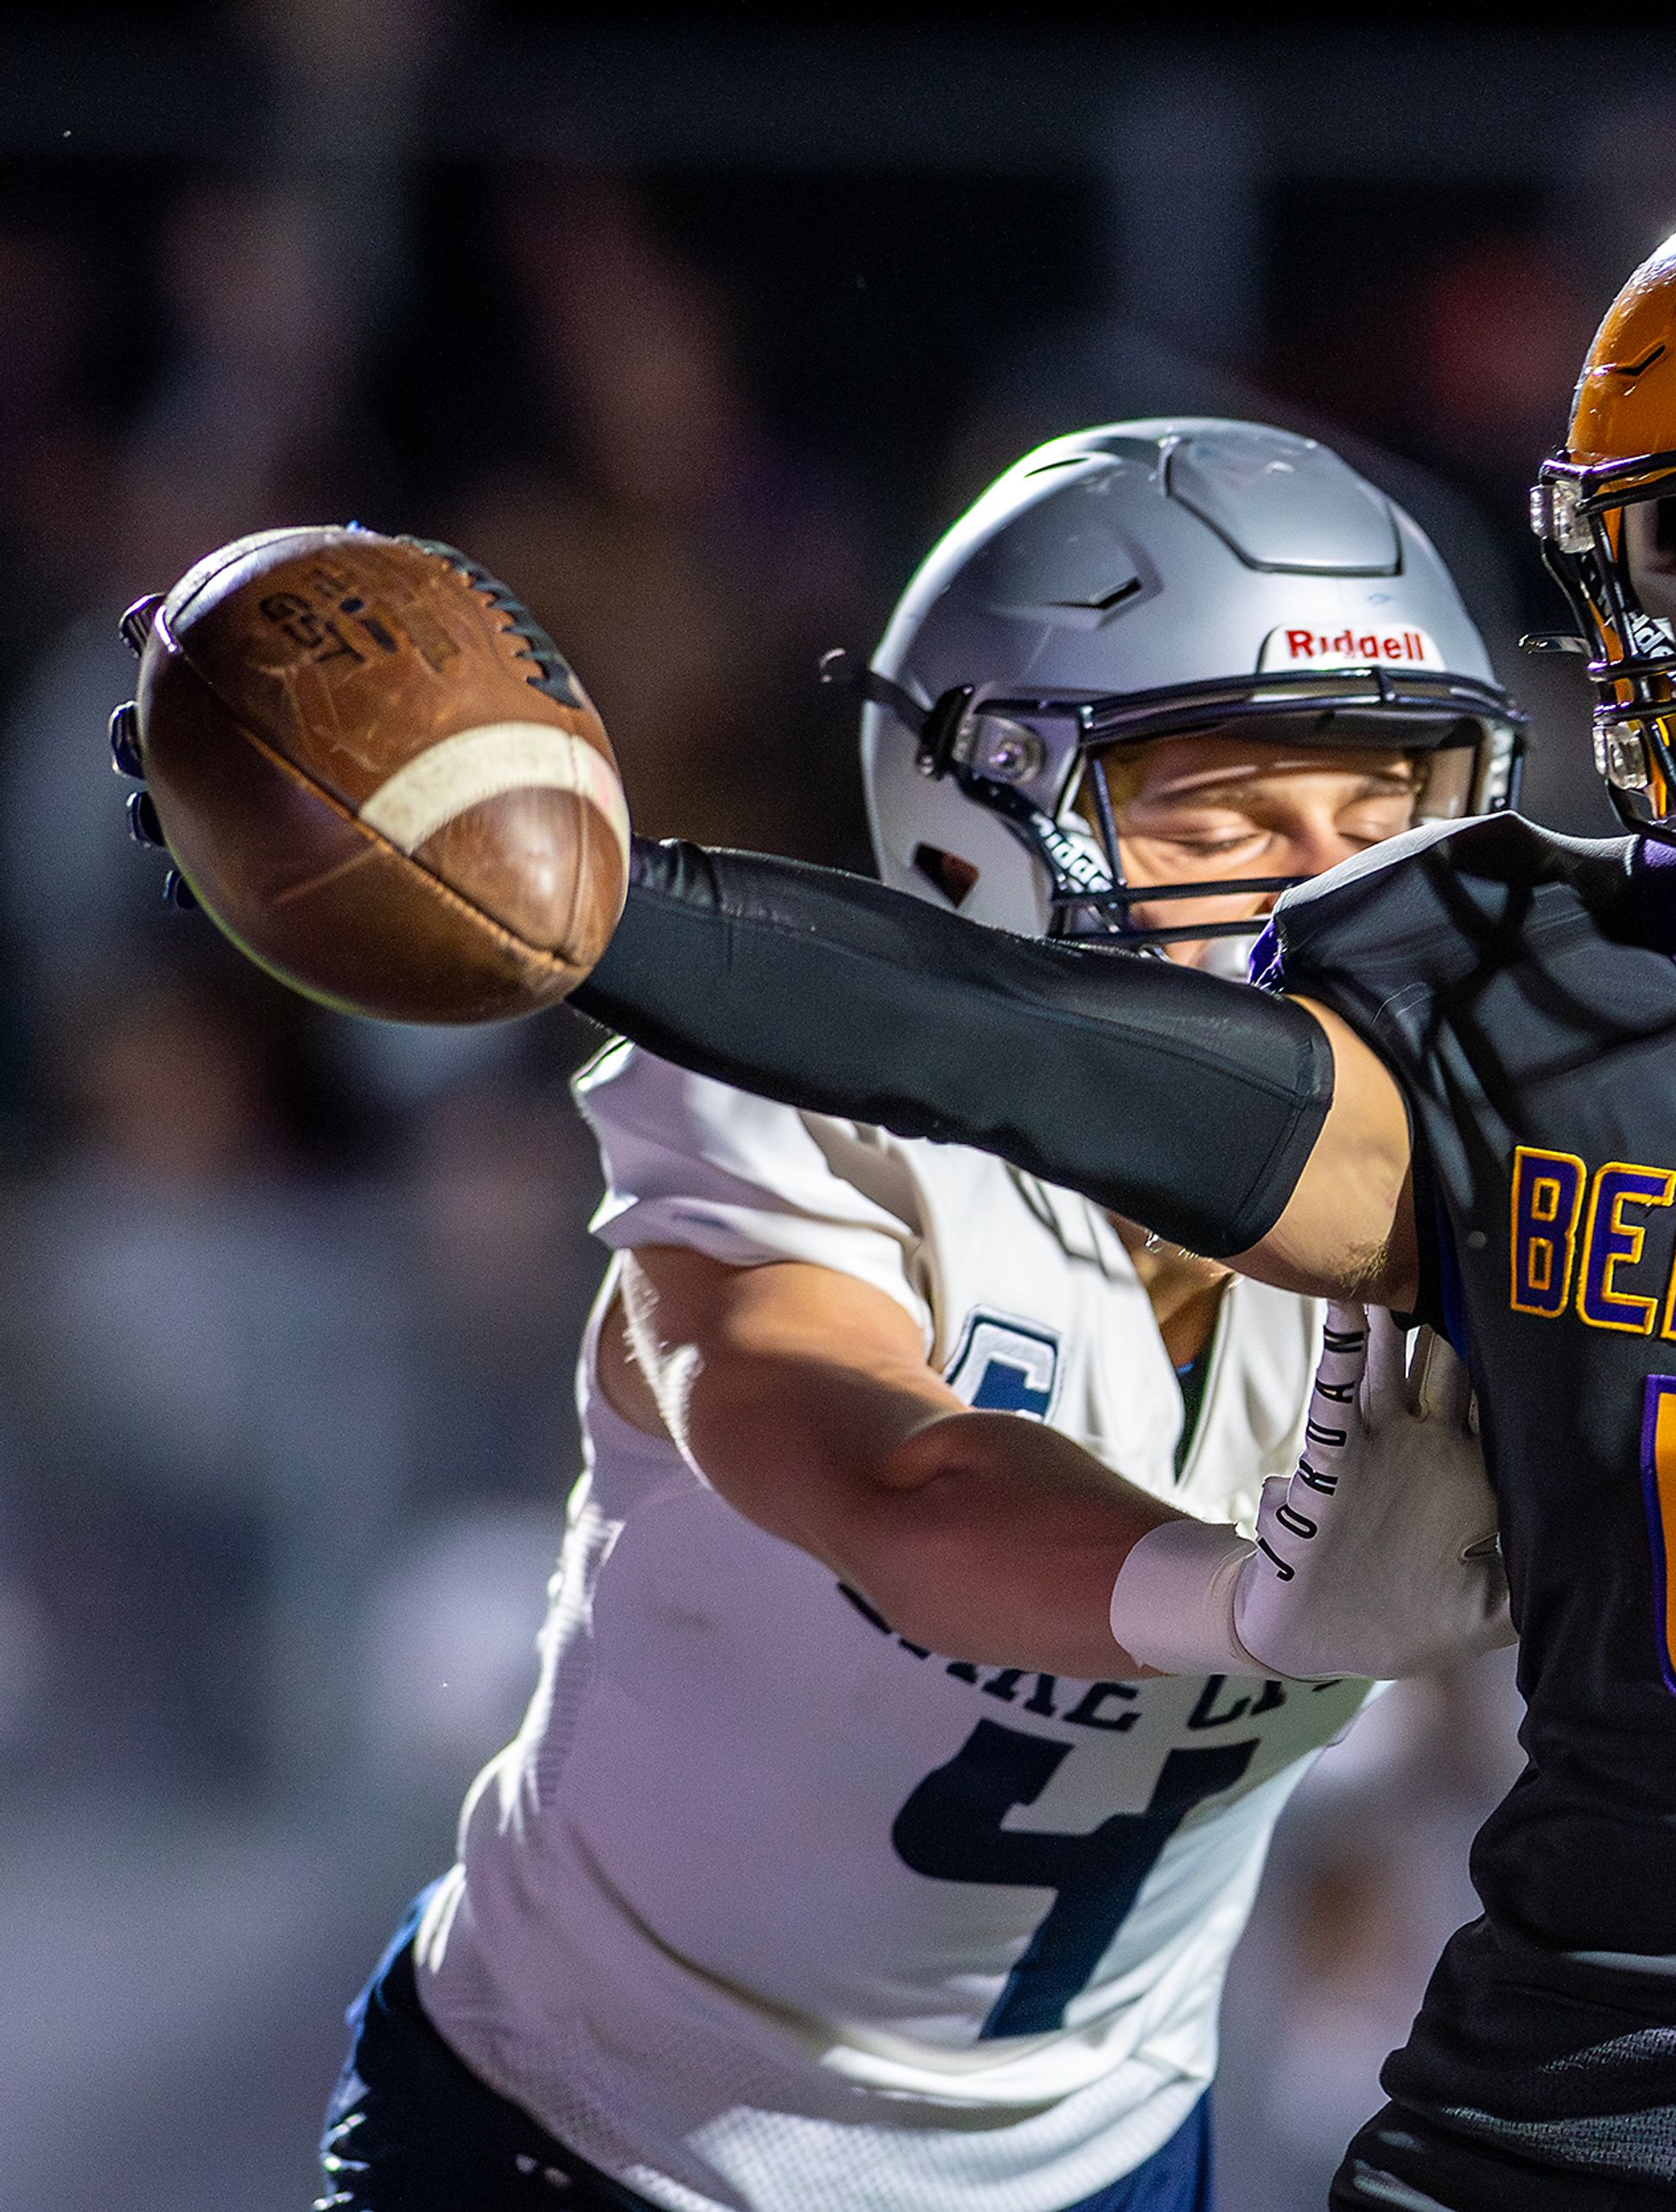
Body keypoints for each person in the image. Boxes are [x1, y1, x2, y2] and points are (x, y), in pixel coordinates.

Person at [143, 165, 1676, 2211]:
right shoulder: (1507, 1007)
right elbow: (1005, 1111)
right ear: (1653, 589)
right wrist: (616, 923)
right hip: (1342, 2155)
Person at [305, 420, 1528, 2212]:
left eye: (1385, 813)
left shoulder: (1487, 1171)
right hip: (591, 2142)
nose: (1339, 893)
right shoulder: (790, 1103)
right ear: (978, 835)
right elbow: (899, 1495)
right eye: (1227, 815)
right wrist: (1251, 1600)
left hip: (1107, 2157)